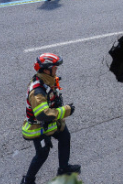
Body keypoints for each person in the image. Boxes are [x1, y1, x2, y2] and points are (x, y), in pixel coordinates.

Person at [20, 53, 80, 184]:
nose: (56, 70)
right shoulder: (37, 91)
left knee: (65, 135)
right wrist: (66, 110)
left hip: (49, 122)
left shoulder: (46, 81)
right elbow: (43, 114)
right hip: (37, 126)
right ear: (46, 69)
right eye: (55, 68)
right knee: (42, 153)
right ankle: (28, 180)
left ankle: (63, 168)